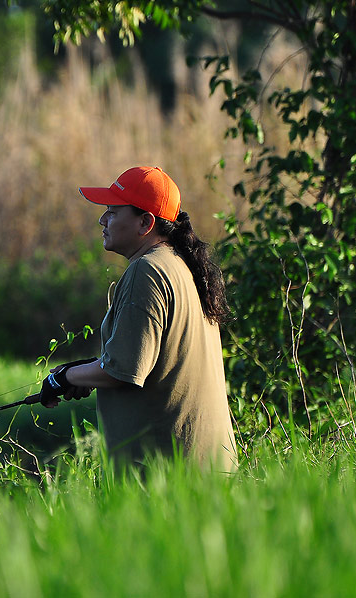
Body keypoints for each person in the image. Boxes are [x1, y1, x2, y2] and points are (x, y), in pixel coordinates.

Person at [38, 166, 238, 472]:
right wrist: (84, 371)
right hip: (206, 472)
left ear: (146, 222)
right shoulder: (180, 265)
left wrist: (61, 378)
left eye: (113, 211)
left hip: (168, 480)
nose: (102, 220)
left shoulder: (147, 271)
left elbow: (125, 370)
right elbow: (151, 359)